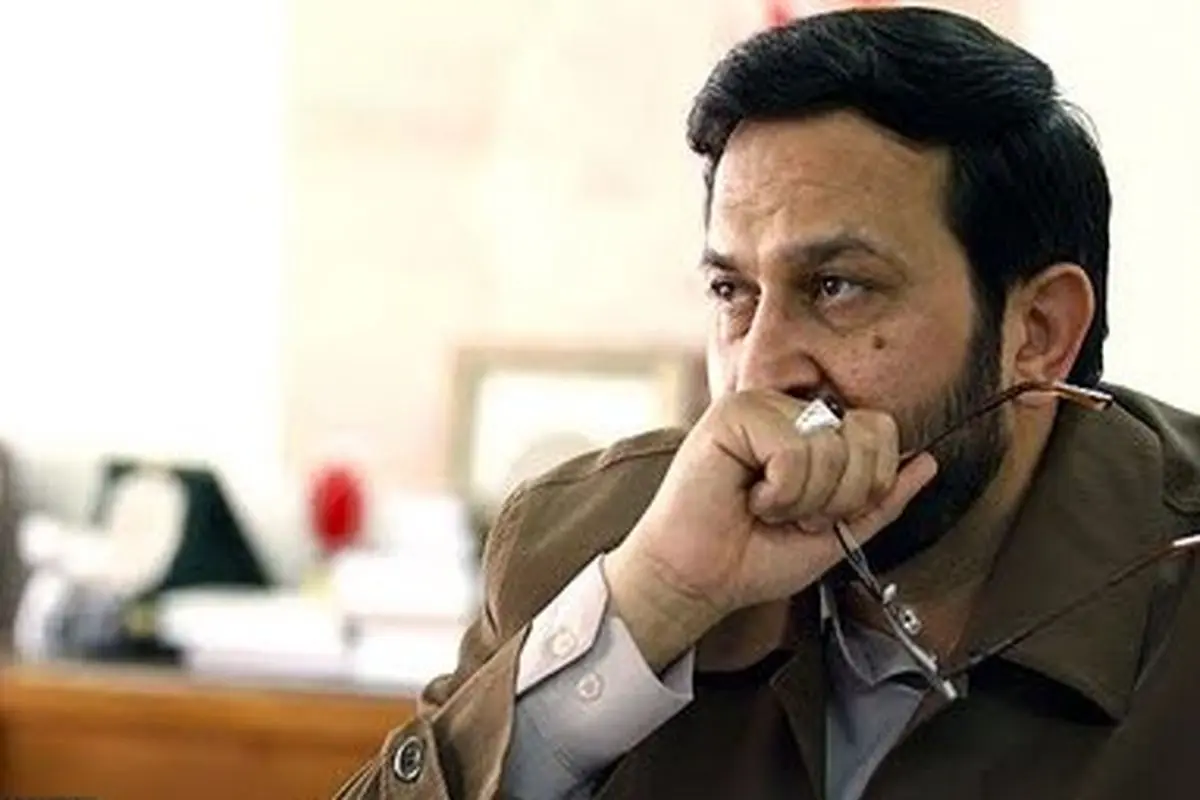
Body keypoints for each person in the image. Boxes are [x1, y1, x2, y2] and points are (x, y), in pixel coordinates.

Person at [338, 7, 1200, 799]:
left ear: (1038, 330)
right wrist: (650, 606)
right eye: (732, 291)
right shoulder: (585, 542)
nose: (757, 370)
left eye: (837, 286)